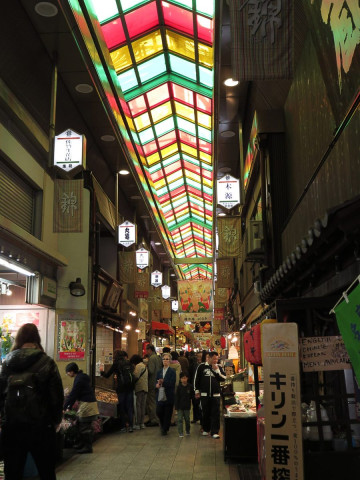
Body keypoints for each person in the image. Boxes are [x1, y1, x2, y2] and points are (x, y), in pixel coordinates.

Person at [0, 323, 63, 479]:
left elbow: (1, 394)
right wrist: (56, 420)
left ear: (19, 339)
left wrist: (3, 419)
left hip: (12, 427)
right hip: (41, 427)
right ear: (37, 339)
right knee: (46, 471)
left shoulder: (7, 362)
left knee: (13, 473)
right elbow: (56, 396)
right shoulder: (46, 362)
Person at [64, 362, 99, 453]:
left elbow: (73, 394)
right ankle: (81, 443)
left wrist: (66, 406)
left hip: (87, 404)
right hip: (87, 403)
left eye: (67, 372)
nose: (67, 374)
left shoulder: (79, 379)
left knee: (84, 426)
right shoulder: (81, 377)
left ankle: (87, 447)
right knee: (80, 423)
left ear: (71, 371)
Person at [194, 351, 226, 439]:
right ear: (210, 358)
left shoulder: (219, 367)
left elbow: (223, 378)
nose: (216, 360)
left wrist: (216, 370)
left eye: (217, 359)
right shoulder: (201, 366)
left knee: (215, 413)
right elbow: (196, 379)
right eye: (214, 359)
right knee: (205, 412)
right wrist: (196, 391)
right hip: (204, 394)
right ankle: (206, 429)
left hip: (215, 394)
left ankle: (215, 431)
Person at [101, 349, 135, 432]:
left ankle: (123, 426)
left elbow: (107, 375)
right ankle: (131, 426)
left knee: (122, 407)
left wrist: (101, 371)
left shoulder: (116, 364)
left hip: (121, 388)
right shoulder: (128, 362)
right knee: (129, 407)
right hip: (130, 387)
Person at [155, 353, 176, 435]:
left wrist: (163, 382)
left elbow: (172, 383)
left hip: (169, 394)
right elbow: (155, 381)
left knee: (168, 413)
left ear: (170, 361)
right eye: (164, 359)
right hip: (160, 394)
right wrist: (156, 385)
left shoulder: (172, 371)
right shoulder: (159, 371)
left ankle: (165, 428)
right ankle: (163, 425)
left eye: (167, 359)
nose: (165, 361)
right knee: (159, 411)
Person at [145, 344, 162, 426]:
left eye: (146, 350)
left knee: (151, 402)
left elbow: (151, 371)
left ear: (150, 350)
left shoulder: (151, 358)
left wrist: (146, 369)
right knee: (155, 401)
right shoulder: (158, 357)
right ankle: (153, 418)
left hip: (151, 382)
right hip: (157, 382)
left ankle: (153, 419)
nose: (146, 351)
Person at [130, 354, 148, 429]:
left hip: (139, 388)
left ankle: (138, 424)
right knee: (143, 406)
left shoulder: (138, 366)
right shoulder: (144, 366)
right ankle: (142, 423)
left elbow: (135, 376)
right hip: (145, 387)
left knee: (138, 406)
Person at [175, 372, 193, 438]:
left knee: (187, 419)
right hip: (180, 406)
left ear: (187, 378)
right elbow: (177, 397)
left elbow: (192, 396)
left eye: (185, 378)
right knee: (179, 419)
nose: (184, 380)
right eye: (182, 378)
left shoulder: (190, 387)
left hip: (187, 406)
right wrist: (176, 407)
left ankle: (187, 430)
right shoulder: (179, 387)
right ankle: (180, 432)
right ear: (180, 379)